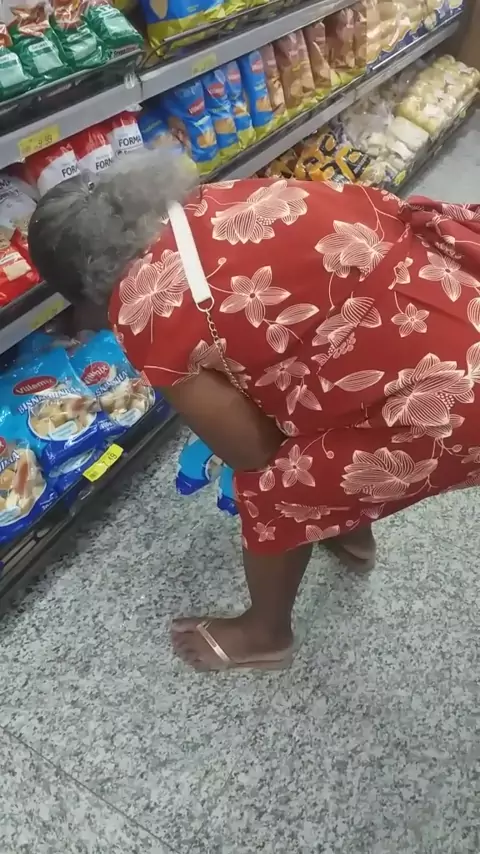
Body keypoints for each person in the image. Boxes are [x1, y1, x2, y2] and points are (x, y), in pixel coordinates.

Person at [28, 148, 480, 672]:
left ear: (81, 288)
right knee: (317, 432)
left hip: (448, 391)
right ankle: (351, 533)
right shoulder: (217, 199)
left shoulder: (142, 307)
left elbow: (254, 452)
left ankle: (265, 634)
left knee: (277, 488)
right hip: (445, 297)